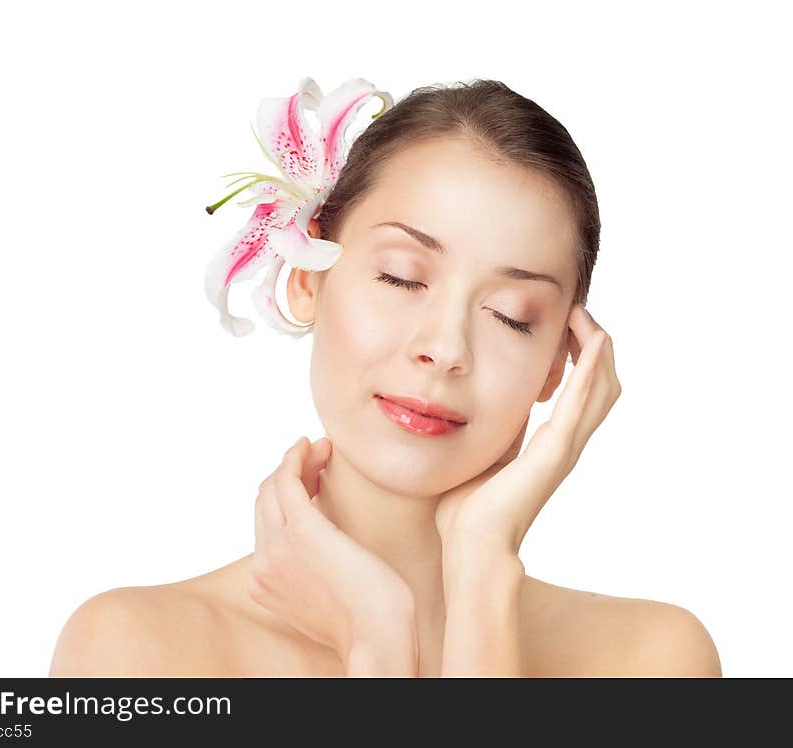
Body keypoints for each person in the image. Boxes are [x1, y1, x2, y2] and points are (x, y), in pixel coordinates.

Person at [49, 78, 722, 677]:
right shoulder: (136, 653)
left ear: (563, 362)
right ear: (308, 276)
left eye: (513, 317)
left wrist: (480, 575)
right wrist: (373, 637)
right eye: (403, 277)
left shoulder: (654, 661)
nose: (445, 348)